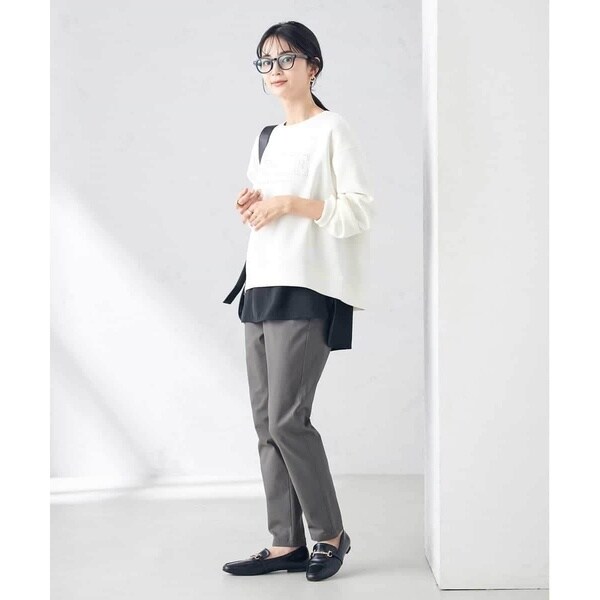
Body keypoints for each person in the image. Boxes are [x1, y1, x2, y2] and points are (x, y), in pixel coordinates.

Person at [222, 20, 374, 582]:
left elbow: (358, 209)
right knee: (267, 423)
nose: (276, 69)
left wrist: (288, 202)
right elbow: (265, 214)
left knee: (289, 420)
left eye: (288, 58)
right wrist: (253, 205)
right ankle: (285, 542)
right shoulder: (266, 138)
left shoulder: (333, 130)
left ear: (314, 66)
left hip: (309, 288)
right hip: (261, 285)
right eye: (266, 61)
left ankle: (329, 536)